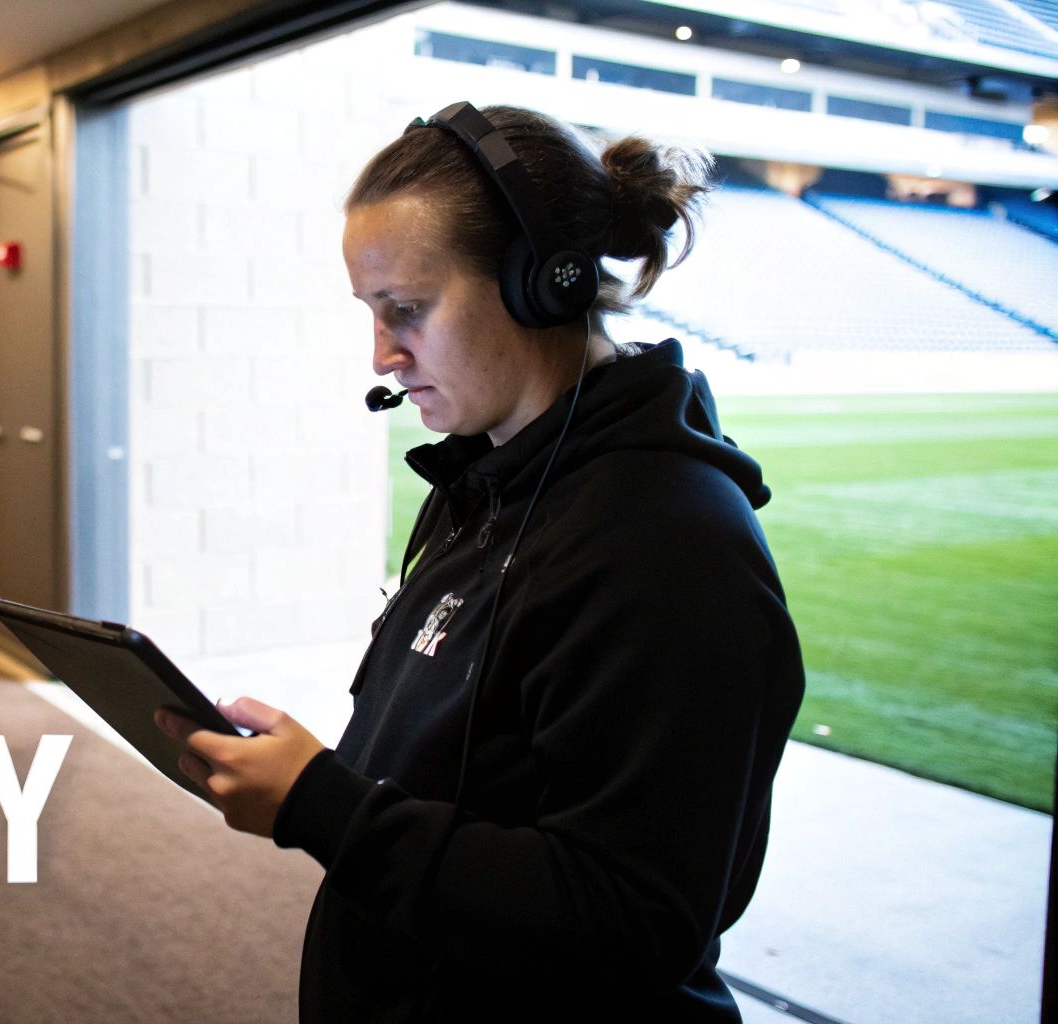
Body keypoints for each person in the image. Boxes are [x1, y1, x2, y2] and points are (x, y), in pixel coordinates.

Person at [154, 101, 806, 1020]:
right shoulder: (489, 483)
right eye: (373, 314)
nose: (382, 355)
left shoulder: (671, 545)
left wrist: (328, 810)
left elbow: (633, 917)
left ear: (544, 281)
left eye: (407, 310)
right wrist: (316, 782)